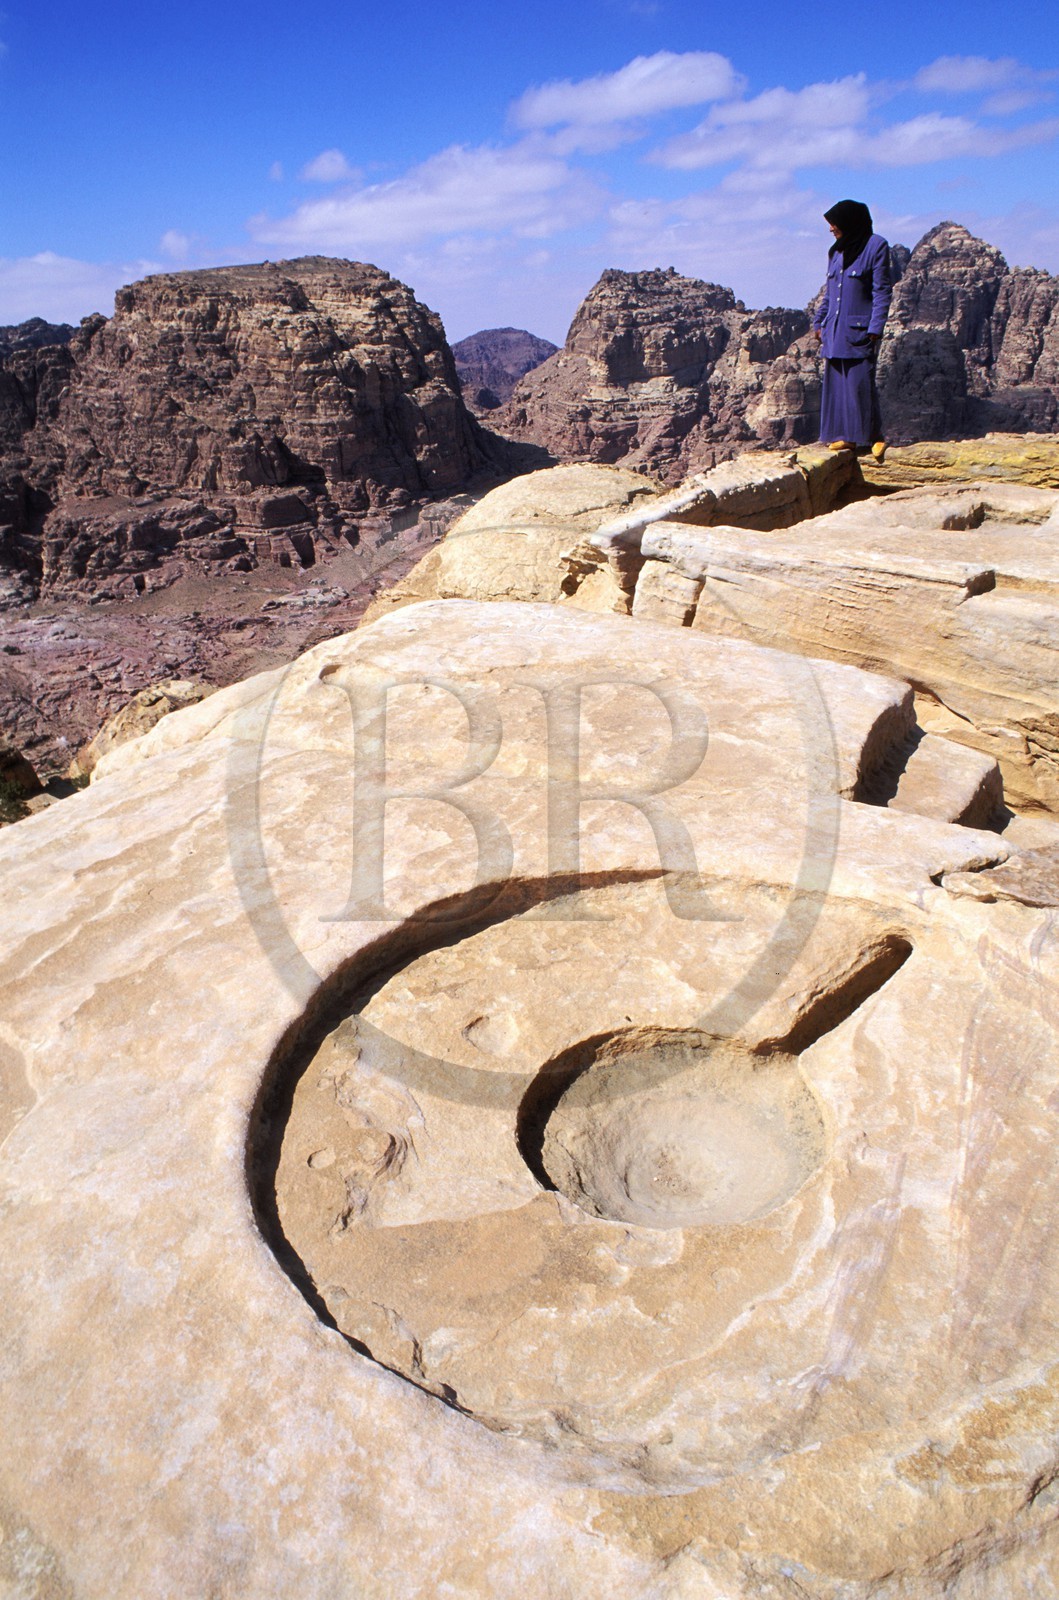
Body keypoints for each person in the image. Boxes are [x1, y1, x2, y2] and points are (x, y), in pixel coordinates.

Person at [812, 199, 892, 459]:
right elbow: (830, 293)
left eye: (834, 223)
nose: (831, 229)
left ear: (849, 222)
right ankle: (845, 437)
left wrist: (876, 327)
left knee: (860, 383)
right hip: (834, 329)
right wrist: (818, 321)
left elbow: (881, 291)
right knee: (838, 384)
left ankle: (874, 437)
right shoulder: (835, 252)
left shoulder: (876, 246)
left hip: (860, 329)